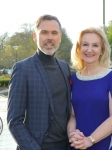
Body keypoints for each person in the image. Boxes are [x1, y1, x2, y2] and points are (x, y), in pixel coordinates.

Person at [7, 14, 72, 150]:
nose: (50, 37)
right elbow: (14, 121)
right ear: (35, 36)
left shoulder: (65, 68)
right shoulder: (22, 68)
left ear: (60, 37)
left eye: (54, 33)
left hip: (66, 146)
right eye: (44, 33)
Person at [67, 27, 112, 150]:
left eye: (95, 45)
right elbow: (72, 115)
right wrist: (73, 136)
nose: (89, 50)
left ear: (102, 49)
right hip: (78, 145)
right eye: (85, 44)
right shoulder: (73, 79)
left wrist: (90, 140)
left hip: (105, 145)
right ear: (78, 48)